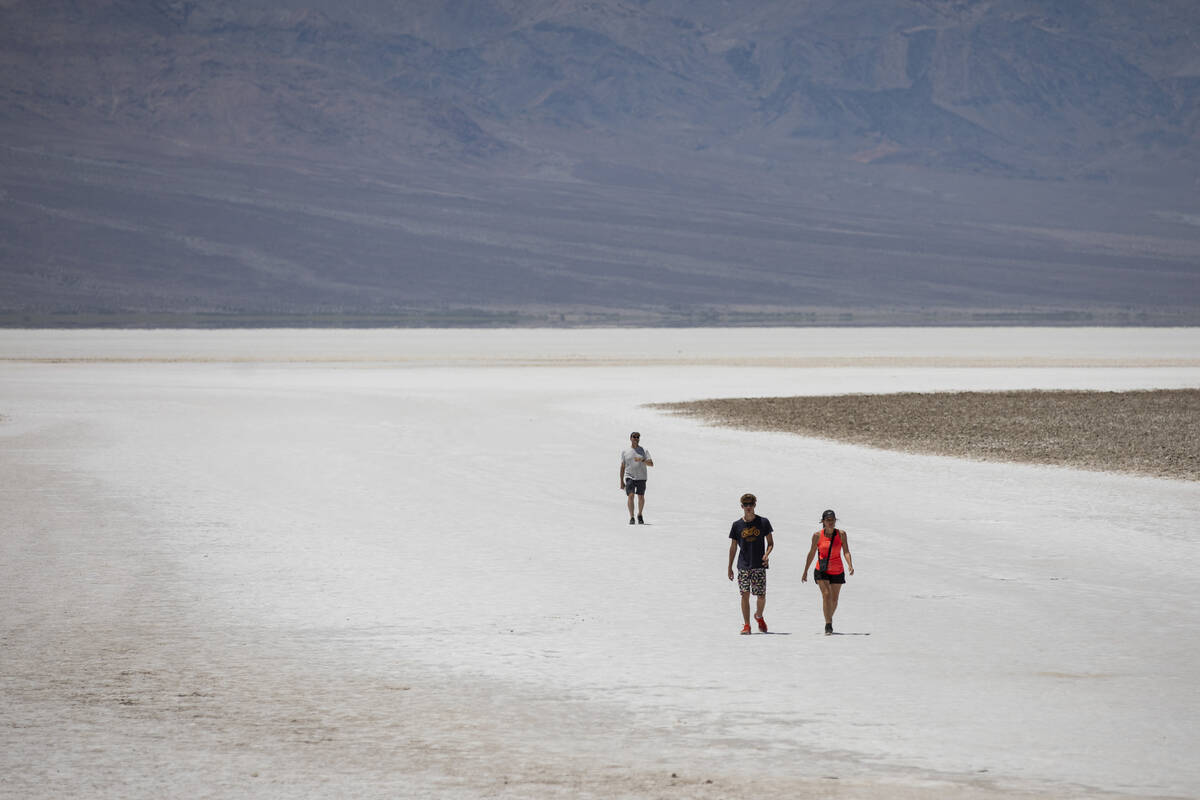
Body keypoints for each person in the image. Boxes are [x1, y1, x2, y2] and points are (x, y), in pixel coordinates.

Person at [727, 493, 775, 634]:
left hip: (759, 564)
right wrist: (729, 567)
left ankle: (759, 616)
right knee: (744, 594)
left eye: (751, 504)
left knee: (761, 596)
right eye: (746, 505)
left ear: (755, 505)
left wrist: (766, 554)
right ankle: (747, 625)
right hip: (743, 564)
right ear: (742, 506)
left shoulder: (763, 522)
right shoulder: (737, 525)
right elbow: (733, 547)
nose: (748, 507)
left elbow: (771, 543)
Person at [802, 509, 854, 635]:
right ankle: (828, 624)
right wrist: (805, 570)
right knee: (826, 594)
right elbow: (812, 553)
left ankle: (828, 617)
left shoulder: (841, 534)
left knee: (834, 600)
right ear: (823, 522)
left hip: (837, 569)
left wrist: (850, 564)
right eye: (828, 520)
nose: (830, 523)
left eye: (832, 520)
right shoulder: (817, 536)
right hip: (822, 569)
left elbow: (846, 551)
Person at [618, 431, 654, 524]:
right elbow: (622, 466)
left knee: (641, 497)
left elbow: (651, 464)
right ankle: (632, 517)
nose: (636, 438)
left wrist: (642, 460)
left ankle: (640, 514)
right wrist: (621, 481)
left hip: (641, 477)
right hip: (629, 476)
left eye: (638, 437)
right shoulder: (625, 452)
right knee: (631, 495)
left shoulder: (643, 451)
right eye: (634, 437)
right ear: (630, 438)